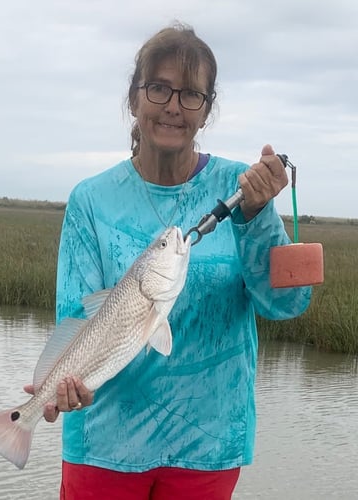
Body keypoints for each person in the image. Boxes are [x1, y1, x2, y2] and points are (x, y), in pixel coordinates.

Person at [31, 23, 311, 499]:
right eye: (159, 88)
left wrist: (257, 216)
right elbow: (75, 315)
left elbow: (285, 305)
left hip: (209, 442)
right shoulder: (91, 200)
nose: (173, 107)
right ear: (134, 98)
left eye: (191, 94)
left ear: (207, 109)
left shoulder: (242, 188)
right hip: (104, 440)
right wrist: (62, 384)